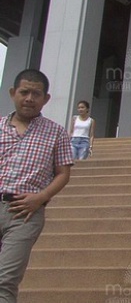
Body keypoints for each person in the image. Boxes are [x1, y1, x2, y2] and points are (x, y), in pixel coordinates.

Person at [0, 69, 73, 302]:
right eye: (24, 92)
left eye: (36, 93)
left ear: (46, 98)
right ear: (13, 93)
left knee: (5, 279)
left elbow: (63, 173)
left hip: (24, 213)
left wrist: (40, 197)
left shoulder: (56, 133)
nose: (29, 98)